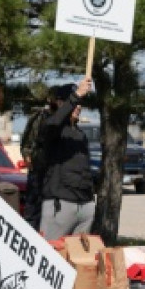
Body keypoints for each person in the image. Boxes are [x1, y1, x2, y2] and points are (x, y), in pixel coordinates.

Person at [38, 77, 97, 239]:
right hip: (60, 205)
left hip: (84, 206)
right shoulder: (51, 128)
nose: (78, 107)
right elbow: (54, 122)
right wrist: (77, 94)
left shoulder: (80, 134)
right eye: (73, 102)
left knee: (76, 261)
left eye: (80, 104)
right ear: (59, 103)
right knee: (50, 255)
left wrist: (90, 202)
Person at [19, 90, 61, 229]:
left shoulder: (64, 118)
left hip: (54, 171)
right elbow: (26, 140)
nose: (58, 102)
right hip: (37, 168)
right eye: (56, 98)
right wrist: (27, 156)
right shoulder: (39, 116)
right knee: (33, 208)